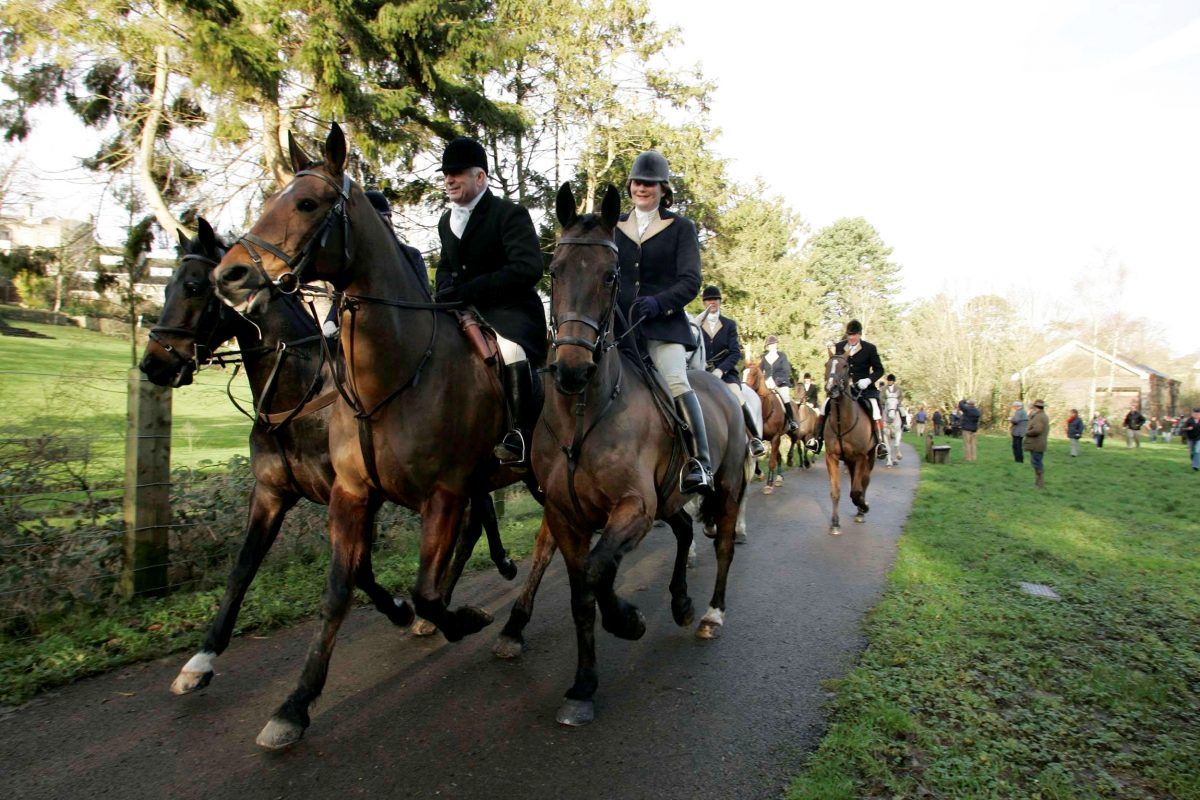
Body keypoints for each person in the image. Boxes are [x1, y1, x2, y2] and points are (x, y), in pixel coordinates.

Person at [434, 137, 546, 467]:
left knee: (511, 351)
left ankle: (520, 433)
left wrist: (471, 289)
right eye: (446, 175)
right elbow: (444, 266)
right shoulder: (446, 221)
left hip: (510, 312)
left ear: (480, 177)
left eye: (457, 173)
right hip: (462, 311)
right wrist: (444, 290)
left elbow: (528, 268)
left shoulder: (509, 214)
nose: (449, 180)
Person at [615, 149, 711, 494]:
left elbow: (690, 281)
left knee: (674, 380)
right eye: (639, 182)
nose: (643, 188)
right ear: (630, 185)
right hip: (620, 330)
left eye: (651, 184)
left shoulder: (680, 227)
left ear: (663, 189)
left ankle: (700, 460)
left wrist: (658, 303)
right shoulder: (614, 227)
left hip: (662, 326)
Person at [696, 285, 766, 458]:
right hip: (701, 372)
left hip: (726, 373)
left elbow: (735, 353)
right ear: (704, 302)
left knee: (738, 396)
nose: (712, 302)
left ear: (720, 302)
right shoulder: (696, 324)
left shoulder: (729, 325)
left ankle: (754, 438)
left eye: (715, 299)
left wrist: (720, 370)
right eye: (708, 299)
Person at [809, 319, 886, 457]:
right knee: (824, 407)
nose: (851, 337)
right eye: (849, 334)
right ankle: (816, 439)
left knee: (874, 409)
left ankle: (880, 443)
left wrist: (868, 380)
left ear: (859, 334)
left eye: (854, 335)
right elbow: (834, 365)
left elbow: (879, 370)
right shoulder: (839, 347)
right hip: (841, 389)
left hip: (863, 389)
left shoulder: (870, 348)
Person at [759, 335, 800, 434]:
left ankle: (791, 421)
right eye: (770, 344)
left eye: (773, 344)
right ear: (767, 346)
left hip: (781, 384)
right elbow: (760, 371)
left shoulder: (782, 356)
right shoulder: (764, 357)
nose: (772, 346)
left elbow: (787, 371)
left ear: (776, 345)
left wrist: (777, 382)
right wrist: (764, 381)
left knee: (785, 398)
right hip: (767, 384)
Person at [1025, 399, 1049, 488]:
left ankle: (1039, 484)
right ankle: (1038, 483)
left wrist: (1027, 432)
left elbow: (1037, 430)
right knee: (1036, 462)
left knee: (1036, 463)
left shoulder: (1039, 417)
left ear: (1036, 407)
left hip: (1037, 444)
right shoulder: (1040, 416)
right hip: (1038, 443)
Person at [1182, 407, 1200, 471]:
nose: (1196, 415)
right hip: (1190, 438)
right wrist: (1188, 428)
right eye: (1195, 414)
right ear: (1192, 414)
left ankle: (1196, 466)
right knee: (1192, 453)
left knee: (1197, 451)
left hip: (1199, 439)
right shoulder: (1189, 420)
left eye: (1198, 414)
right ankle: (1194, 462)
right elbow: (1183, 428)